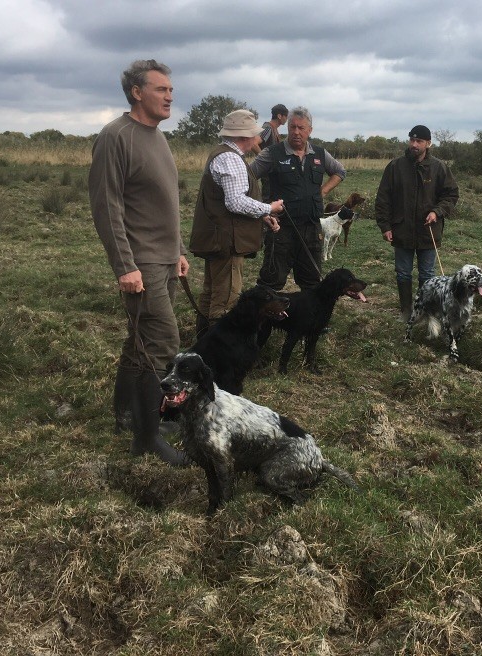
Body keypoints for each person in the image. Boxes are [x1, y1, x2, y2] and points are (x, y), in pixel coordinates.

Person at [88, 59, 189, 466]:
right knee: (163, 343)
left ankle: (128, 416)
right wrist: (124, 266)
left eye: (170, 89)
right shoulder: (116, 136)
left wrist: (178, 250)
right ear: (136, 92)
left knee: (140, 343)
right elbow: (106, 206)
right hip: (140, 263)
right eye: (161, 89)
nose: (170, 96)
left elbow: (164, 202)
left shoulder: (158, 137)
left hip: (165, 260)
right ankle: (148, 439)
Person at [189, 108, 284, 336]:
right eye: (254, 134)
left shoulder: (221, 154)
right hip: (227, 241)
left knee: (211, 292)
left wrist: (262, 216)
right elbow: (235, 202)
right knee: (226, 300)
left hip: (217, 238)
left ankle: (201, 344)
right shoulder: (231, 159)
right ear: (243, 136)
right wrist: (269, 207)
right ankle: (216, 354)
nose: (257, 138)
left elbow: (228, 201)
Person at [249, 106, 346, 290]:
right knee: (270, 284)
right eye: (292, 127)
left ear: (310, 130)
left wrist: (323, 191)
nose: (296, 132)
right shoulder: (272, 153)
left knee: (311, 285)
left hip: (311, 229)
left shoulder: (319, 154)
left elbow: (340, 171)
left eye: (301, 128)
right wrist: (262, 208)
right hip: (281, 229)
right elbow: (248, 176)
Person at [375, 124, 460, 319]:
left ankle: (425, 311)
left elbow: (451, 195)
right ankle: (406, 311)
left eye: (419, 141)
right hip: (401, 230)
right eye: (412, 140)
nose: (414, 144)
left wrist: (437, 212)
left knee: (427, 275)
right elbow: (383, 199)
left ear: (428, 143)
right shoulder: (395, 166)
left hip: (428, 231)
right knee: (403, 273)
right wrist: (385, 226)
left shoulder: (439, 167)